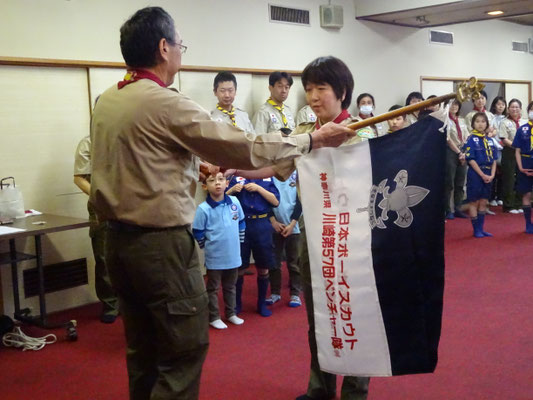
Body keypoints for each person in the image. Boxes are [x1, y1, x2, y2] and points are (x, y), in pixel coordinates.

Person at [89, 7, 354, 400]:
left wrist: (195, 166)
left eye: (321, 89)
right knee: (182, 348)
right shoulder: (164, 102)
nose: (314, 97)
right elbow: (241, 146)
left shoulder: (110, 99)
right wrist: (310, 140)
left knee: (143, 348)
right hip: (159, 247)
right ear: (164, 48)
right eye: (180, 45)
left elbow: (142, 160)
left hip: (117, 242)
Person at [73, 134, 119, 323]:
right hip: (102, 205)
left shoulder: (126, 135)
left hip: (131, 202)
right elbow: (79, 179)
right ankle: (111, 304)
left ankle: (132, 303)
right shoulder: (89, 142)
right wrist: (101, 197)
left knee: (134, 254)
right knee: (103, 257)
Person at [192, 171, 245, 329]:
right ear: (205, 186)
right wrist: (207, 247)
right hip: (215, 256)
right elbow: (198, 231)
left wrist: (238, 243)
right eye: (212, 180)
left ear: (227, 183)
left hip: (233, 254)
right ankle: (214, 316)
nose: (217, 183)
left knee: (231, 286)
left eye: (221, 179)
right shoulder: (203, 209)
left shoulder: (235, 202)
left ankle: (231, 313)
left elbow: (241, 222)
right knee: (213, 288)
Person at [226, 173, 280, 317]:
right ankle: (237, 304)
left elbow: (276, 201)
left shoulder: (266, 176)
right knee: (240, 266)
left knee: (263, 266)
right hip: (242, 224)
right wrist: (231, 190)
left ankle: (261, 303)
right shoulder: (235, 177)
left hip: (262, 224)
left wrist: (259, 189)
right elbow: (220, 200)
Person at [267, 171, 303, 308]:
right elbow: (264, 200)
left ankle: (295, 293)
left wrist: (292, 224)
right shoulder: (269, 174)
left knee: (293, 262)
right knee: (274, 262)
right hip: (275, 226)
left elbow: (300, 201)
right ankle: (275, 292)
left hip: (293, 227)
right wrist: (273, 222)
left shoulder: (297, 173)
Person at [463, 112, 496, 238]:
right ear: (473, 124)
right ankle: (476, 229)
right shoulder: (471, 139)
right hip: (476, 173)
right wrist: (482, 175)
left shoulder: (490, 140)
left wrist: (492, 175)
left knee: (484, 201)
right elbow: (471, 159)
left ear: (487, 124)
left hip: (489, 173)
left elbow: (494, 160)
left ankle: (481, 228)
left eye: (483, 121)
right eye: (477, 121)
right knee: (474, 201)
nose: (480, 124)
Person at [499, 98, 528, 213]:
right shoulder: (504, 122)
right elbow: (504, 138)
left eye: (517, 107)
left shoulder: (525, 122)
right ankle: (508, 205)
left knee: (521, 178)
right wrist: (517, 147)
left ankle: (518, 204)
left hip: (524, 154)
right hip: (509, 152)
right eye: (512, 107)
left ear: (520, 109)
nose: (514, 109)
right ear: (508, 109)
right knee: (509, 178)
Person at [445, 99, 469, 220]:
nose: (453, 106)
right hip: (451, 152)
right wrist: (459, 152)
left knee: (460, 182)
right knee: (449, 182)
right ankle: (448, 209)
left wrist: (464, 152)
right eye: (451, 104)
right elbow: (448, 139)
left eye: (456, 104)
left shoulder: (462, 120)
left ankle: (458, 208)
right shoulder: (445, 120)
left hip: (462, 152)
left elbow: (467, 136)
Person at [512, 101, 533, 233]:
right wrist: (520, 167)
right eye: (532, 109)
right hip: (525, 162)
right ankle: (528, 223)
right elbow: (517, 150)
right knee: (526, 193)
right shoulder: (522, 129)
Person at [488, 96, 507, 207]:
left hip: (505, 147)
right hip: (493, 147)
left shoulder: (506, 118)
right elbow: (489, 133)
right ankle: (492, 197)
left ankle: (500, 196)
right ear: (494, 105)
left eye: (503, 104)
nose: (500, 106)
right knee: (493, 173)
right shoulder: (491, 117)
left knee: (503, 174)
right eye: (498, 104)